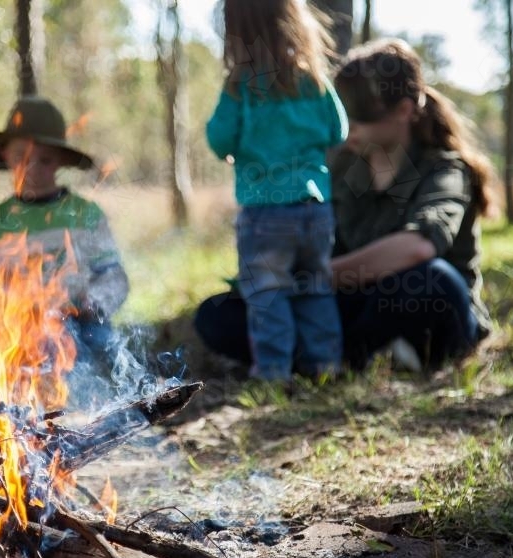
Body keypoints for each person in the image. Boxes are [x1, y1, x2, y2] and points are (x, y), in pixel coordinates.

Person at [195, 38, 495, 373]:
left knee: (433, 281)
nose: (347, 126)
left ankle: (339, 354)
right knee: (218, 314)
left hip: (421, 306)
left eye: (359, 115)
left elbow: (419, 245)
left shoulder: (444, 170)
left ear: (404, 111)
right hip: (346, 301)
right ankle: (352, 354)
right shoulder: (341, 167)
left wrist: (319, 277)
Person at [204, 0, 347, 383]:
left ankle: (273, 373)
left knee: (267, 293)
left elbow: (219, 141)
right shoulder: (314, 78)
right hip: (315, 208)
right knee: (314, 286)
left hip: (265, 212)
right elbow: (338, 130)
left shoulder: (241, 86)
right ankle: (324, 366)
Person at [0, 96, 129, 366]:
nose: (31, 167)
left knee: (106, 353)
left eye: (45, 159)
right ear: (5, 155)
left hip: (81, 326)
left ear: (60, 161)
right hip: (17, 331)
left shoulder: (85, 214)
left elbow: (114, 276)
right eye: (22, 156)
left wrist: (95, 301)